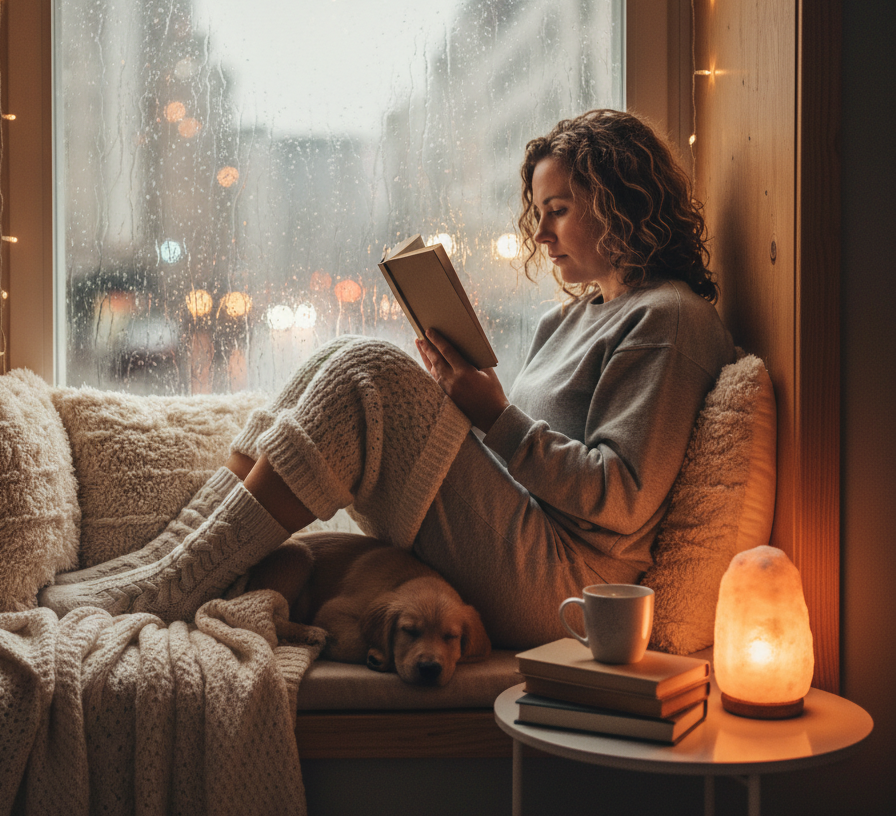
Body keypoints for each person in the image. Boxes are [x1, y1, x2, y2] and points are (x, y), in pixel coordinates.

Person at [42, 109, 734, 649]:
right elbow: (519, 457)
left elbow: (619, 497)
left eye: (559, 210)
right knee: (337, 363)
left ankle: (164, 584)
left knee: (365, 371)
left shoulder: (669, 319)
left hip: (566, 583)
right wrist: (458, 402)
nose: (542, 236)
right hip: (521, 537)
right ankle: (156, 568)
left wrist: (493, 416)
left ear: (621, 202)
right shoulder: (569, 320)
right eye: (538, 213)